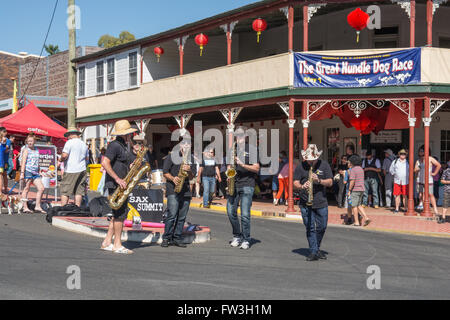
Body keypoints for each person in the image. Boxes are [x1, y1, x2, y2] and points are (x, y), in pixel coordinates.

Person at [101, 120, 137, 254]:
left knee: (117, 214)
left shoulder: (122, 146)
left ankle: (107, 241)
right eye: (129, 134)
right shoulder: (115, 145)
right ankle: (117, 244)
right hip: (117, 185)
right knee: (120, 215)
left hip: (122, 183)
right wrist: (117, 179)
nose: (131, 135)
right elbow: (105, 163)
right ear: (125, 134)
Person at [293, 144, 333, 261]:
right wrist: (302, 186)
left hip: (321, 201)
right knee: (310, 227)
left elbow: (330, 182)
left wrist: (319, 180)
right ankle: (314, 251)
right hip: (305, 201)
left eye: (312, 160)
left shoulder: (324, 165)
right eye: (308, 160)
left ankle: (316, 248)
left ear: (317, 158)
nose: (310, 162)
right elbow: (295, 182)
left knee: (322, 226)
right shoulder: (301, 166)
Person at [226, 128, 260, 250]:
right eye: (237, 136)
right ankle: (237, 236)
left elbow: (256, 168)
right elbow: (229, 166)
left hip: (247, 185)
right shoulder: (232, 150)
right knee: (230, 212)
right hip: (234, 185)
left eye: (241, 136)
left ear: (245, 136)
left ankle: (246, 238)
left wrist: (242, 164)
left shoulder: (251, 149)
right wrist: (228, 175)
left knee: (245, 215)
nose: (238, 138)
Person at [162, 137, 196, 248]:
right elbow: (165, 172)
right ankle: (166, 238)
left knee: (182, 217)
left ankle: (177, 237)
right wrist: (173, 178)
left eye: (188, 144)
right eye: (184, 144)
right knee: (172, 215)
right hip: (173, 189)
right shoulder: (172, 155)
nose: (186, 146)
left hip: (185, 190)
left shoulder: (191, 158)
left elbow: (192, 176)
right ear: (180, 145)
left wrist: (189, 169)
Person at [59, 128, 89, 207]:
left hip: (71, 169)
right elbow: (87, 158)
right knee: (79, 190)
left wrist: (60, 159)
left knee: (65, 189)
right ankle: (77, 208)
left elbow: (65, 155)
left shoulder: (69, 142)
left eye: (68, 135)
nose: (67, 137)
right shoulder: (83, 144)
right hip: (82, 169)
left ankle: (63, 207)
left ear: (71, 134)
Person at [20, 134, 46, 214]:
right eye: (28, 141)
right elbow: (23, 162)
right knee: (26, 188)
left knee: (41, 188)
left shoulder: (37, 150)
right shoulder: (26, 150)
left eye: (31, 141)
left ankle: (37, 206)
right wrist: (22, 173)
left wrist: (39, 170)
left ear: (34, 141)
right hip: (28, 171)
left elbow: (37, 161)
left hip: (35, 172)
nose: (30, 143)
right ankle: (25, 207)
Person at [414, 146, 441, 216]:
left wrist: (434, 173)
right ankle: (425, 208)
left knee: (431, 194)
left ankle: (435, 209)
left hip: (429, 180)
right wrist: (417, 169)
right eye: (420, 151)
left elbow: (439, 165)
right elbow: (414, 170)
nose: (421, 152)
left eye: (422, 151)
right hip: (420, 180)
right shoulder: (418, 161)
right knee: (421, 194)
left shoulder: (430, 158)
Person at [348, 155, 371, 227]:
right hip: (362, 189)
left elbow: (352, 181)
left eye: (349, 162)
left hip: (355, 189)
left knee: (354, 206)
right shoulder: (361, 169)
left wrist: (349, 190)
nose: (349, 163)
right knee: (359, 205)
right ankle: (366, 218)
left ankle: (356, 222)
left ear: (352, 162)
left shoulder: (353, 170)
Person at [389, 149, 409, 214]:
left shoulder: (408, 162)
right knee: (397, 195)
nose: (403, 155)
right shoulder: (395, 161)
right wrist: (395, 174)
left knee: (405, 195)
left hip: (405, 181)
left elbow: (410, 171)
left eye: (404, 154)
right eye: (401, 154)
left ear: (406, 155)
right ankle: (397, 208)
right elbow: (391, 170)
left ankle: (405, 208)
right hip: (397, 181)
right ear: (399, 154)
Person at [0, 127, 11, 194]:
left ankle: (5, 189)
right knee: (2, 174)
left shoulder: (7, 140)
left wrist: (3, 143)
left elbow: (6, 149)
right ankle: (3, 190)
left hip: (4, 160)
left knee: (4, 174)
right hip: (2, 160)